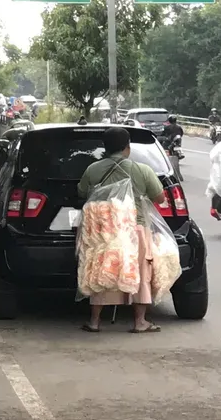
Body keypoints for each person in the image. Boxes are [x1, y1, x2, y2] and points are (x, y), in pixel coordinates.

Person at [77, 127, 168, 334]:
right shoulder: (142, 170)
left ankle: (94, 322)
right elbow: (160, 198)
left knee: (100, 273)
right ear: (127, 147)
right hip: (135, 229)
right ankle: (140, 322)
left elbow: (82, 192)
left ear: (105, 148)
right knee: (140, 273)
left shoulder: (93, 169)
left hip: (104, 230)